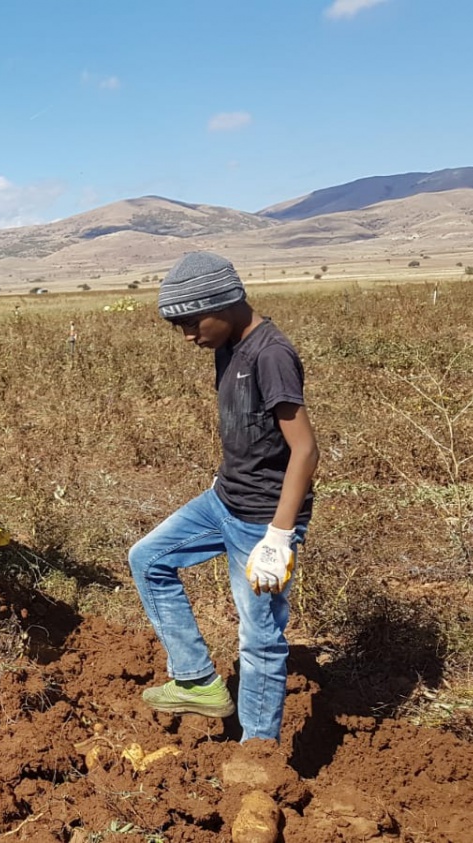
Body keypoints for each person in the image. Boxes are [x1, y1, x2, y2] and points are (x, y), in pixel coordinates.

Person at [127, 251, 319, 743]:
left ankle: (258, 752)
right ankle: (196, 681)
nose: (188, 336)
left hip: (263, 520)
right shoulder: (228, 346)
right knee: (148, 559)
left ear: (225, 303)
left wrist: (278, 537)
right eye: (180, 327)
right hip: (224, 500)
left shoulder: (271, 355)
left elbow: (305, 449)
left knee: (259, 639)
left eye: (192, 323)